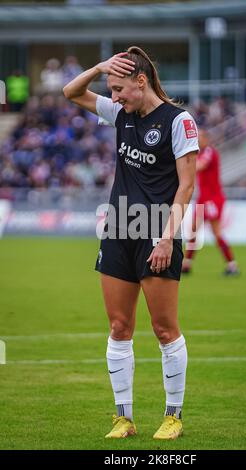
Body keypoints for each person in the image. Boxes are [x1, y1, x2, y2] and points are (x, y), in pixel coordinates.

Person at [63, 46, 199, 439]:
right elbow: (71, 93)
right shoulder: (120, 113)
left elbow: (187, 187)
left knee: (163, 328)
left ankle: (173, 416)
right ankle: (124, 418)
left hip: (158, 231)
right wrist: (100, 67)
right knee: (119, 326)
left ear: (142, 81)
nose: (115, 96)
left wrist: (168, 240)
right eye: (111, 88)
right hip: (118, 228)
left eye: (120, 88)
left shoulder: (178, 121)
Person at [182, 128, 240, 276]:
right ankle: (187, 264)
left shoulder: (209, 151)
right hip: (204, 198)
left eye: (199, 137)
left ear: (206, 138)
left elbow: (200, 166)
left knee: (216, 232)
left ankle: (232, 265)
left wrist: (181, 164)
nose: (197, 139)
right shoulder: (200, 153)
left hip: (212, 198)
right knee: (193, 230)